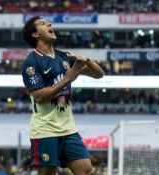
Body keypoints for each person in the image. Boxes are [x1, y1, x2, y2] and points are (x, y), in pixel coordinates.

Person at [21, 16, 104, 175]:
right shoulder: (31, 62)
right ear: (35, 34)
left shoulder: (64, 57)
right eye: (43, 24)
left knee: (87, 171)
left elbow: (98, 74)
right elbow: (39, 95)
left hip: (69, 130)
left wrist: (87, 60)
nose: (49, 24)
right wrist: (68, 78)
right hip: (45, 131)